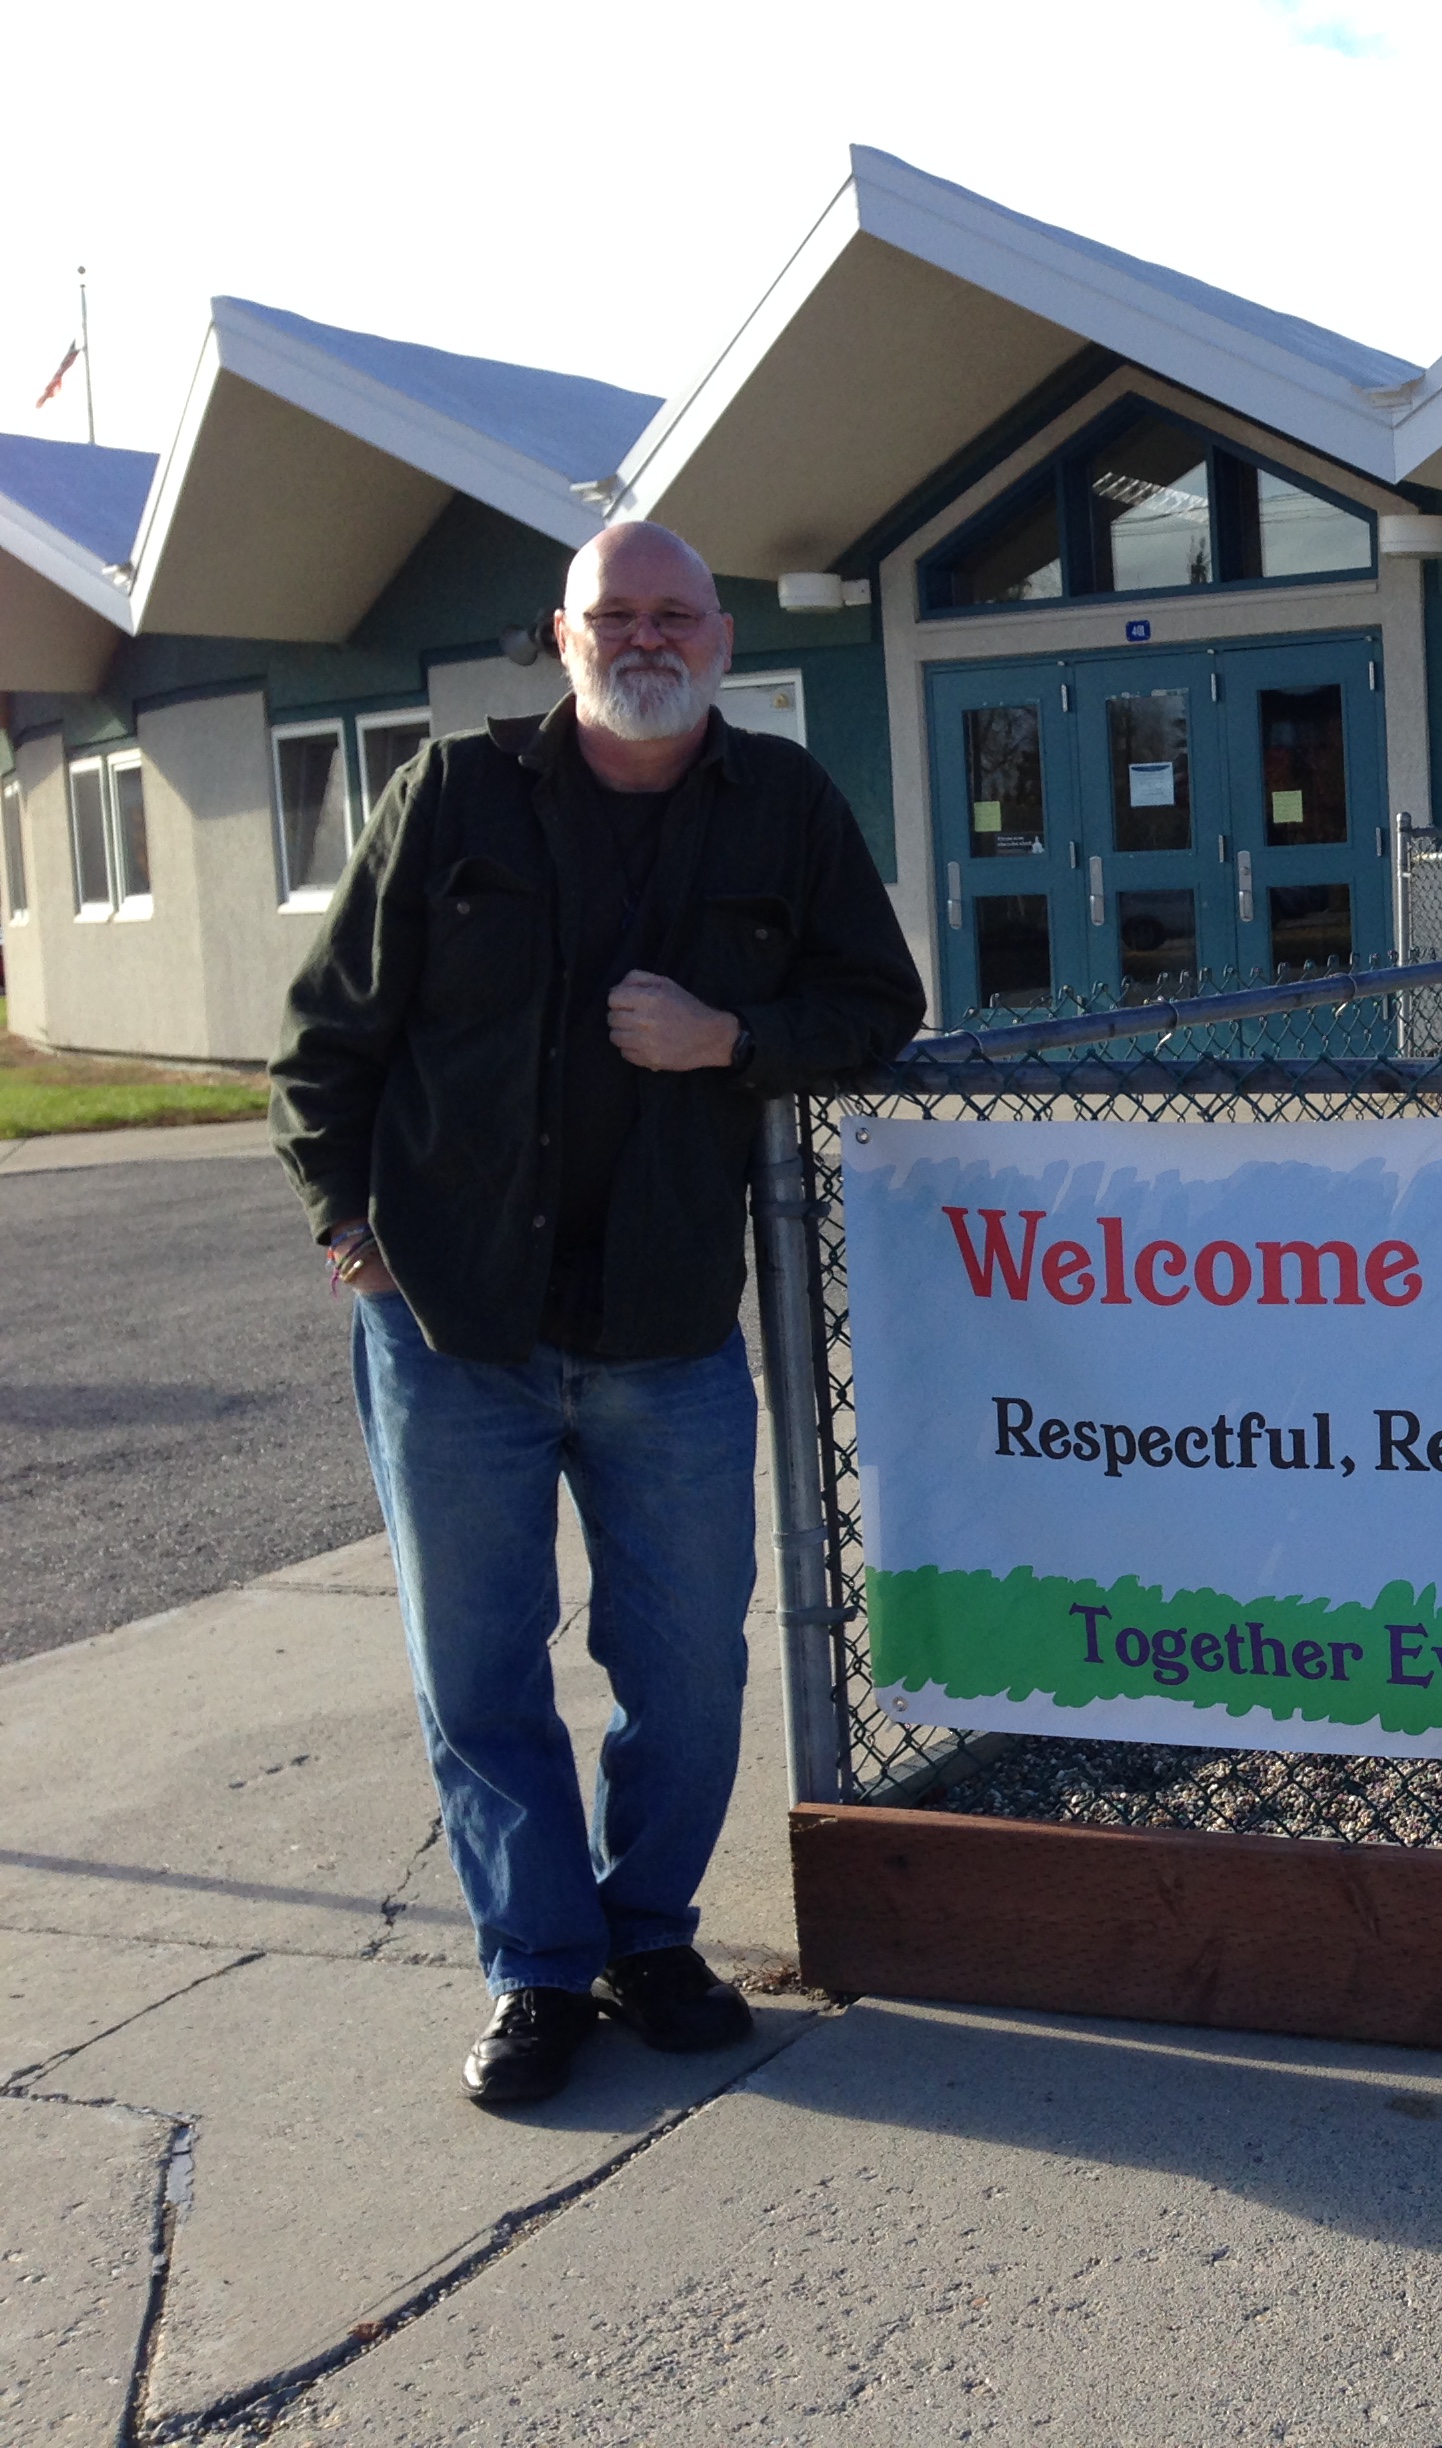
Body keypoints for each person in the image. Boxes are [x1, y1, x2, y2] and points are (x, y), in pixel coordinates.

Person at [270, 522, 924, 2108]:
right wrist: (347, 1223)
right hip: (451, 1332)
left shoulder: (783, 805)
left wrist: (729, 1037)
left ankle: (649, 1938)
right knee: (479, 1671)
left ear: (720, 638)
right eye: (613, 613)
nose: (645, 638)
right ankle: (538, 1968)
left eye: (673, 614)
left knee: (688, 1668)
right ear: (562, 638)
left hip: (666, 1326)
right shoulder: (452, 796)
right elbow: (326, 1039)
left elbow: (877, 1006)